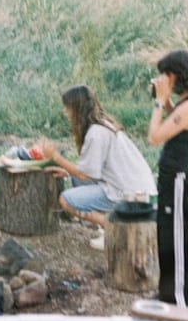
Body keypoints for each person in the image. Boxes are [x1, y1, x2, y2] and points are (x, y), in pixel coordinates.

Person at [39, 84, 157, 250]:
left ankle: (114, 228)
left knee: (66, 200)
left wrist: (55, 157)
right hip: (137, 187)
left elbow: (84, 175)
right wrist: (67, 171)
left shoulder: (95, 133)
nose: (65, 112)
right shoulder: (103, 124)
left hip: (131, 194)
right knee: (75, 179)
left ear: (77, 108)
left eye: (68, 108)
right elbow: (92, 170)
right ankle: (114, 224)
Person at [147, 49, 188, 307]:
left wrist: (159, 102)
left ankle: (180, 299)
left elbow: (154, 137)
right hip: (175, 177)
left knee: (177, 240)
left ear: (174, 75)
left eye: (165, 75)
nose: (163, 80)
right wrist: (166, 103)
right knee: (167, 237)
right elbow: (177, 120)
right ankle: (168, 293)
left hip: (180, 179)